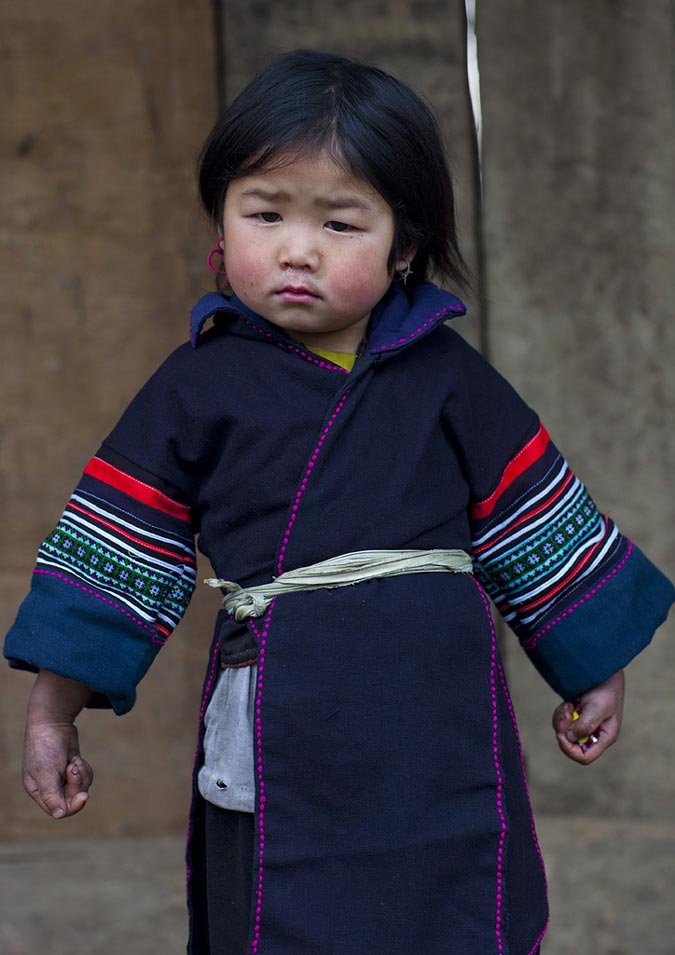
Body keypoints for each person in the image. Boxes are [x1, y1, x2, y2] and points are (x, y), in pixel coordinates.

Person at [4, 49, 673, 955]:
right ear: (222, 220)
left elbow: (534, 523)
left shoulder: (447, 378)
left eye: (339, 223)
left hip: (431, 718)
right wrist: (53, 709)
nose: (295, 249)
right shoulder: (194, 388)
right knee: (278, 914)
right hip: (280, 717)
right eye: (265, 212)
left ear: (402, 245)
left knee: (446, 898)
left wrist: (593, 660)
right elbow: (122, 551)